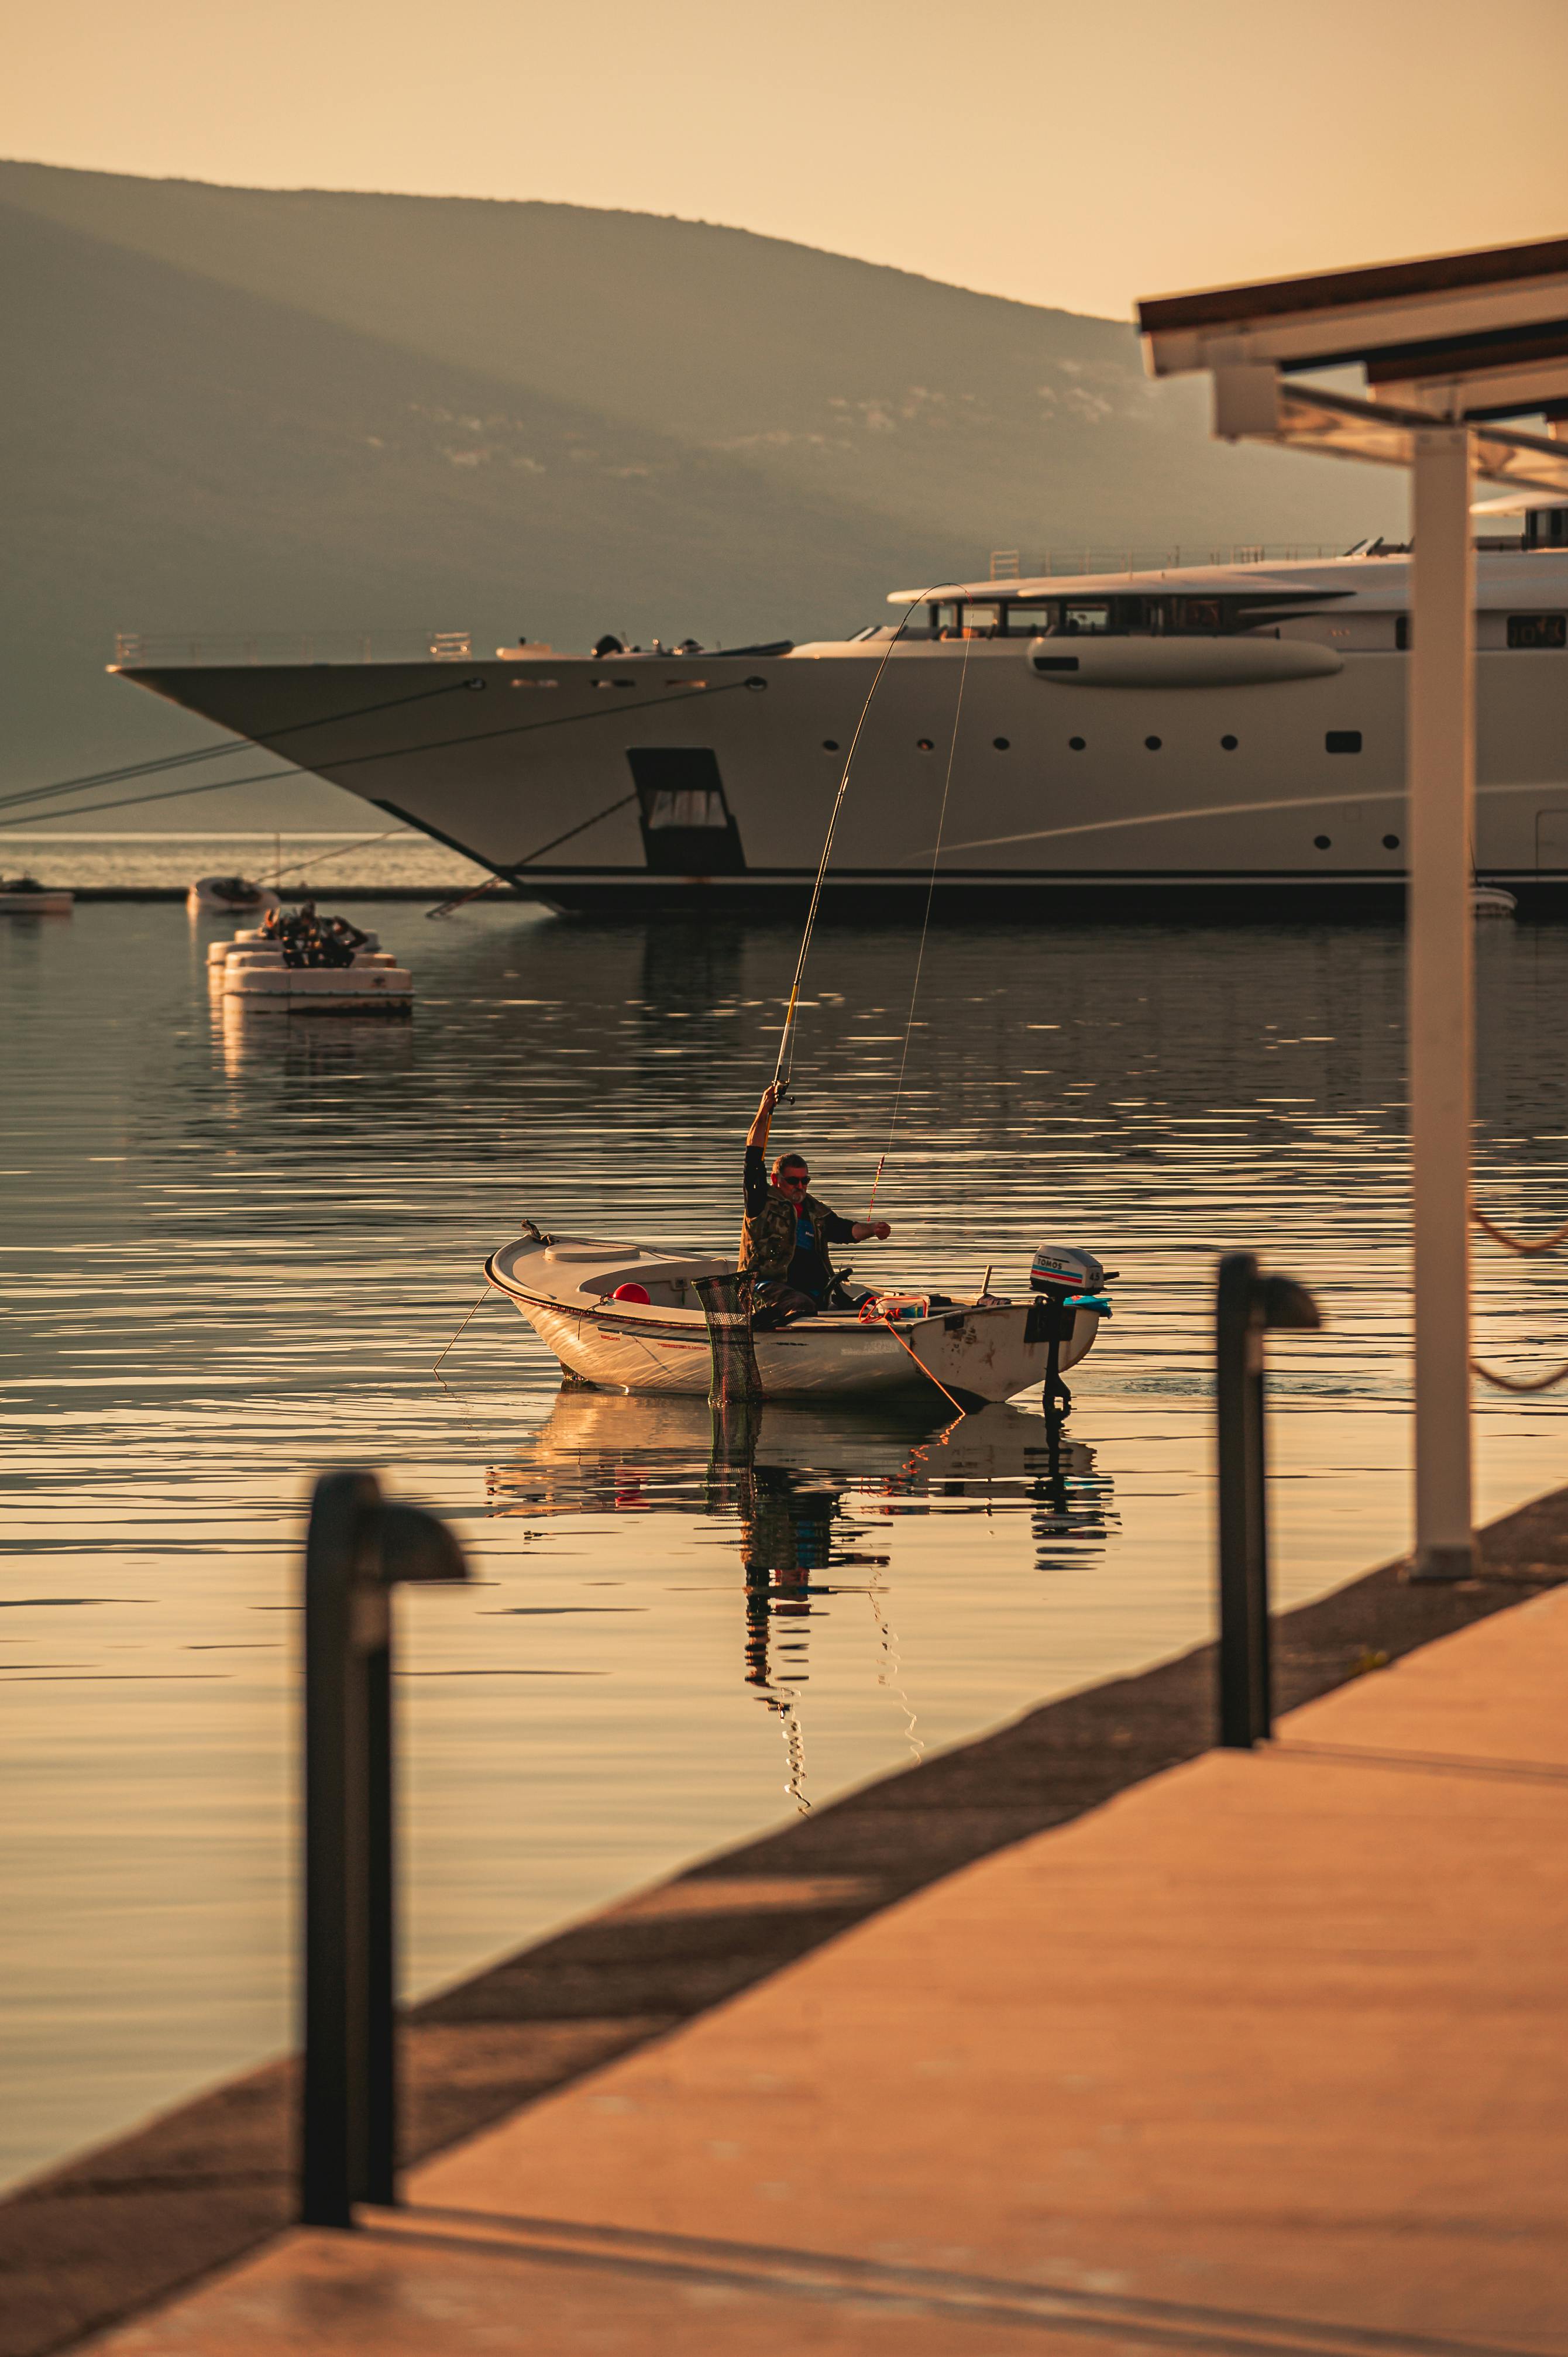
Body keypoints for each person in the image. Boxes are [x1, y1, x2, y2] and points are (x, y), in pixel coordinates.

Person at [740, 1083, 891, 1325]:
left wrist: (873, 1230)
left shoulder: (814, 1210)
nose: (800, 1186)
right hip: (764, 1289)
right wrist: (764, 1109)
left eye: (805, 1180)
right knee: (801, 1305)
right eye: (793, 1181)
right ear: (776, 1180)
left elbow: (845, 1230)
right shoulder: (760, 1201)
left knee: (871, 1303)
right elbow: (753, 1157)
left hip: (814, 1293)